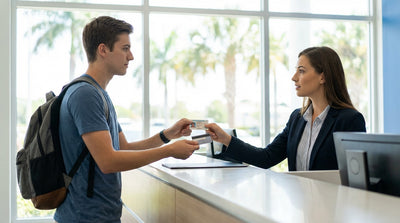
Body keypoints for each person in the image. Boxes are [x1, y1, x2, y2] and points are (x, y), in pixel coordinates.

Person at [54, 16, 199, 223]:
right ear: (103, 50)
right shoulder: (85, 95)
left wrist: (167, 135)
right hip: (85, 217)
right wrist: (169, 152)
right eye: (125, 48)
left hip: (100, 215)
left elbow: (123, 148)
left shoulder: (98, 94)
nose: (130, 56)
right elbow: (108, 162)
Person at [206, 46, 366, 171]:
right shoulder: (297, 118)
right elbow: (266, 158)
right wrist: (225, 139)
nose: (294, 77)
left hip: (332, 208)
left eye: (301, 71)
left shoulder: (349, 120)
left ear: (322, 77)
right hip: (300, 208)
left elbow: (355, 174)